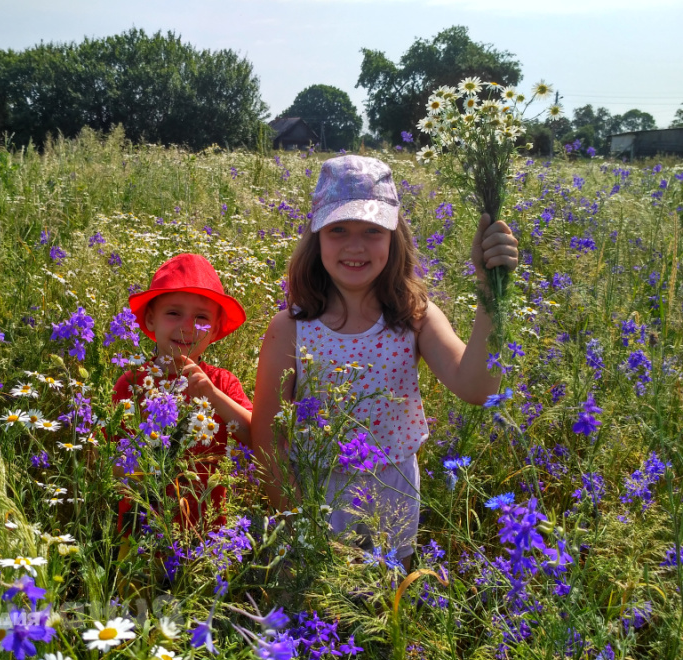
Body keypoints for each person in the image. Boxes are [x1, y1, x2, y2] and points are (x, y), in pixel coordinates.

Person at [251, 155, 518, 563]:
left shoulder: (416, 317)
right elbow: (268, 435)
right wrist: (294, 517)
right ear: (316, 237)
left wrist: (490, 291)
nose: (355, 245)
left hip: (392, 487)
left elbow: (477, 388)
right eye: (338, 229)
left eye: (373, 230)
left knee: (383, 602)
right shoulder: (289, 327)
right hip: (314, 493)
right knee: (316, 611)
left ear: (394, 238)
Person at [112, 253, 253, 533]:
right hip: (142, 527)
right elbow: (113, 464)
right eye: (173, 313)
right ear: (151, 320)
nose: (187, 327)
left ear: (213, 331)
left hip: (207, 527)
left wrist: (211, 395)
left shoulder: (222, 383)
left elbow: (255, 436)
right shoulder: (132, 382)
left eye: (201, 318)